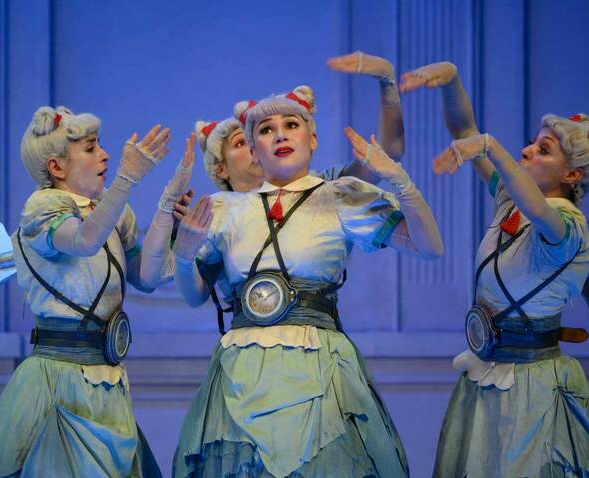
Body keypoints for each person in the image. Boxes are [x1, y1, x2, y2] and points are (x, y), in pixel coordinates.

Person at [171, 84, 443, 477]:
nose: (280, 135)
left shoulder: (340, 196)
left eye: (291, 125)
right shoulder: (224, 208)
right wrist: (184, 254)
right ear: (254, 149)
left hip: (317, 367)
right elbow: (194, 295)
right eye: (266, 130)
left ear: (312, 138)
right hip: (242, 372)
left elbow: (429, 247)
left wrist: (399, 180)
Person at [0, 106, 192, 477]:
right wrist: (126, 179)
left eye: (100, 145)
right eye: (90, 148)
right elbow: (83, 241)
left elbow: (147, 277)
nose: (105, 154)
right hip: (58, 382)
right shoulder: (42, 208)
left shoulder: (113, 210)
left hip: (107, 378)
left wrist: (165, 214)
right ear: (57, 167)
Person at [401, 62, 589, 476]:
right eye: (531, 143)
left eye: (543, 150)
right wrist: (450, 79)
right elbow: (465, 132)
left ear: (572, 174)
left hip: (532, 385)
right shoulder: (511, 200)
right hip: (486, 369)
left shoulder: (568, 226)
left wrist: (489, 146)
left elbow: (537, 209)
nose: (527, 151)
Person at [192, 52, 406, 325]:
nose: (276, 138)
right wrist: (171, 226)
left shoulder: (323, 189)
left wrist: (387, 84)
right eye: (244, 141)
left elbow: (389, 152)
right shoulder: (217, 215)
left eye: (288, 126)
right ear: (220, 168)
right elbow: (188, 288)